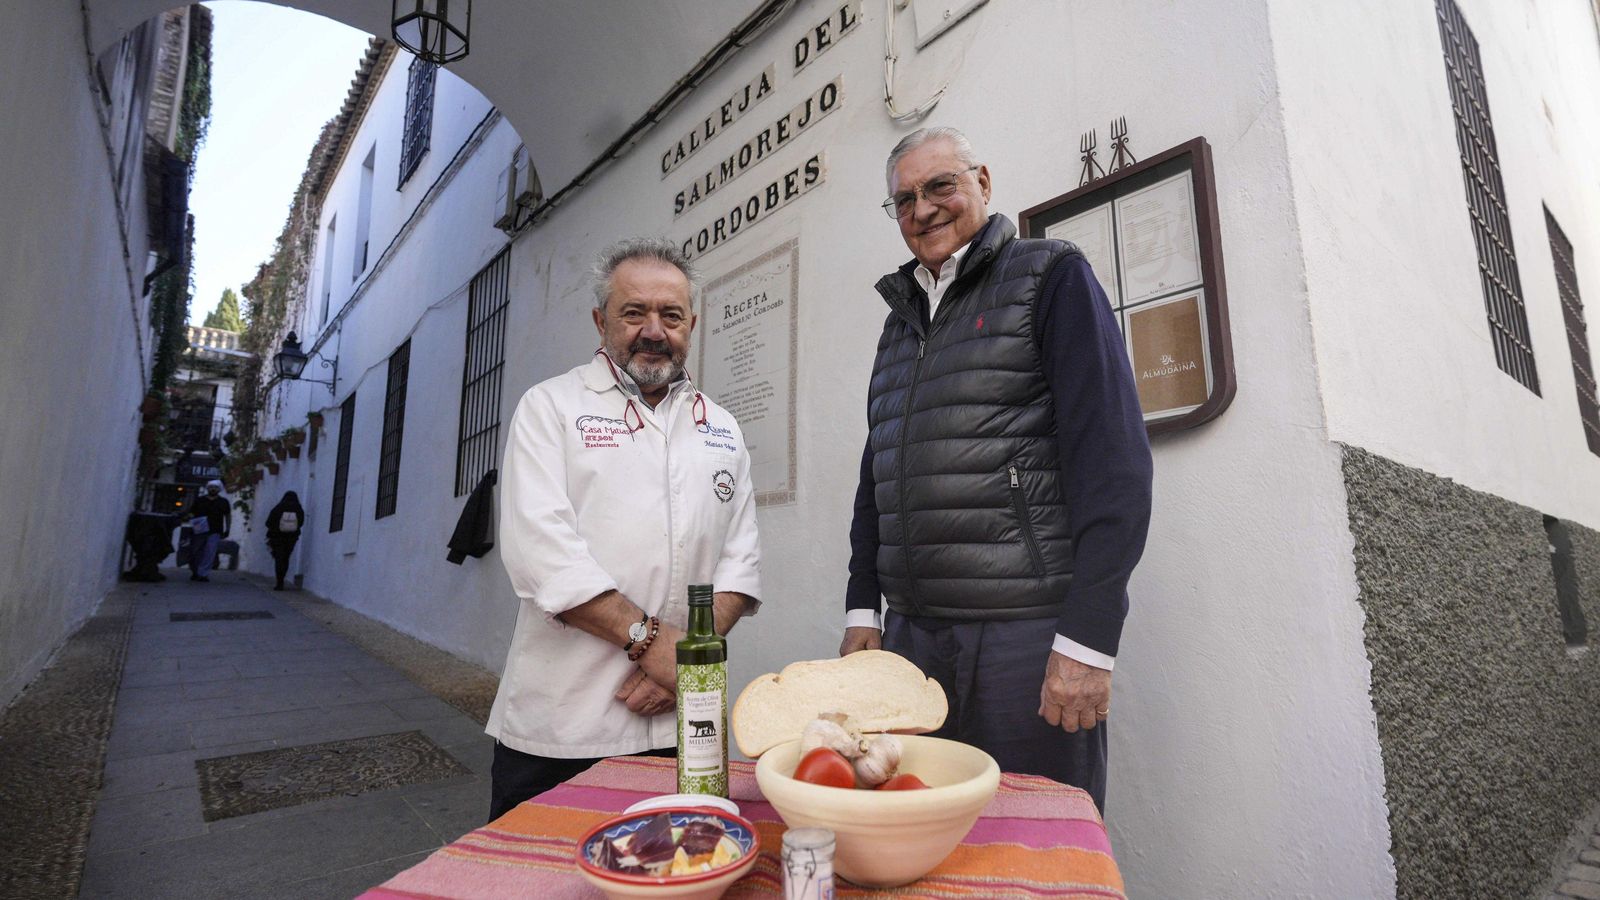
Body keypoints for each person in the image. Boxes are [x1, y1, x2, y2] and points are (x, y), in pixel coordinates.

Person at [840, 127, 1153, 811]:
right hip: (911, 643)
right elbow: (879, 472)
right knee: (917, 841)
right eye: (903, 199)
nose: (921, 209)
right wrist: (864, 606)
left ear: (983, 182)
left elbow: (1116, 464)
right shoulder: (899, 324)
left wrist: (1088, 642)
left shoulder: (1050, 275)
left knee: (1034, 844)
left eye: (940, 186)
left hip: (1025, 640)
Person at [488, 237, 762, 821]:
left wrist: (681, 662)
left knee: (682, 867)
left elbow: (740, 566)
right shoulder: (551, 407)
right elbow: (542, 554)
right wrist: (654, 646)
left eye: (670, 315)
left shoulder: (722, 428)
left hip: (679, 720)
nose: (653, 330)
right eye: (634, 312)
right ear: (600, 320)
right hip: (566, 722)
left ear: (691, 323)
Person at [187, 480, 231, 582]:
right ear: (207, 488)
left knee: (210, 553)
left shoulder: (223, 502)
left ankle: (203, 574)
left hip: (215, 530)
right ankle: (195, 571)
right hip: (199, 530)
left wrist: (227, 529)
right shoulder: (200, 500)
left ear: (219, 489)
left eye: (215, 487)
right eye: (211, 487)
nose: (213, 489)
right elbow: (191, 512)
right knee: (195, 552)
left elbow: (227, 516)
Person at [265, 491, 305, 590]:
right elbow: (301, 522)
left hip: (277, 538)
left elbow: (268, 522)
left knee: (278, 559)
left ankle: (279, 582)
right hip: (291, 538)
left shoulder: (278, 508)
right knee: (286, 558)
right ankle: (282, 577)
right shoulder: (298, 508)